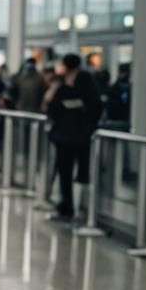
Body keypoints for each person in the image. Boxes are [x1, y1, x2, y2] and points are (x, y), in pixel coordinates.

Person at [44, 53, 102, 221]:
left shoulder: (78, 82)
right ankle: (69, 205)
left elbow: (93, 106)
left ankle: (78, 207)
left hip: (76, 135)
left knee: (79, 171)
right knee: (66, 171)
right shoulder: (70, 82)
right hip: (68, 136)